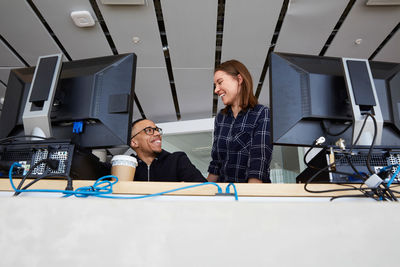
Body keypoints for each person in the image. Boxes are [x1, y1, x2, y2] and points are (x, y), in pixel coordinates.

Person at [207, 60, 273, 183]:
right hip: (224, 195)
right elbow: (216, 165)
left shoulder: (262, 113)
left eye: (220, 82)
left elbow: (258, 164)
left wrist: (248, 199)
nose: (216, 90)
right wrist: (205, 195)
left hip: (250, 194)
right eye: (215, 85)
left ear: (239, 79)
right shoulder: (221, 118)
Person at [130, 118, 207, 182]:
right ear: (134, 142)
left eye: (157, 130)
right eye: (149, 130)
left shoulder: (178, 160)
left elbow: (205, 188)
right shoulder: (127, 166)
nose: (157, 133)